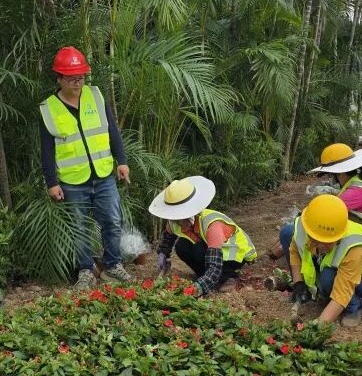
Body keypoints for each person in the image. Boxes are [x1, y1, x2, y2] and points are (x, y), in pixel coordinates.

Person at [40, 46, 134, 288]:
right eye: (71, 77)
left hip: (103, 175)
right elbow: (47, 150)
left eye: (80, 76)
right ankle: (86, 271)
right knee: (79, 228)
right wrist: (52, 182)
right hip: (72, 181)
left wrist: (122, 161)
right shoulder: (48, 109)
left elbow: (112, 131)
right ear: (59, 78)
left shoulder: (96, 96)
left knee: (112, 221)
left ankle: (112, 266)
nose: (77, 82)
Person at [279, 143, 362, 271]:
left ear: (338, 174)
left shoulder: (354, 193)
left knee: (339, 218)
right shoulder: (359, 184)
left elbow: (322, 213)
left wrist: (297, 227)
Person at [288, 194, 362, 327]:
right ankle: (326, 294)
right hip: (332, 267)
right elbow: (294, 251)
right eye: (316, 240)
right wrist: (298, 283)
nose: (321, 245)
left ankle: (354, 307)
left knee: (328, 278)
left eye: (327, 242)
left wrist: (317, 326)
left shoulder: (352, 247)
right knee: (286, 233)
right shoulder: (306, 224)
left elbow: (342, 293)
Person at [150, 176, 257, 294]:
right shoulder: (174, 222)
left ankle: (228, 277)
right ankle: (206, 276)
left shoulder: (212, 225)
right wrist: (163, 253)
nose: (177, 223)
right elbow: (168, 238)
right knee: (182, 246)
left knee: (199, 252)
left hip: (235, 254)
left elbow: (214, 262)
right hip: (210, 250)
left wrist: (198, 289)